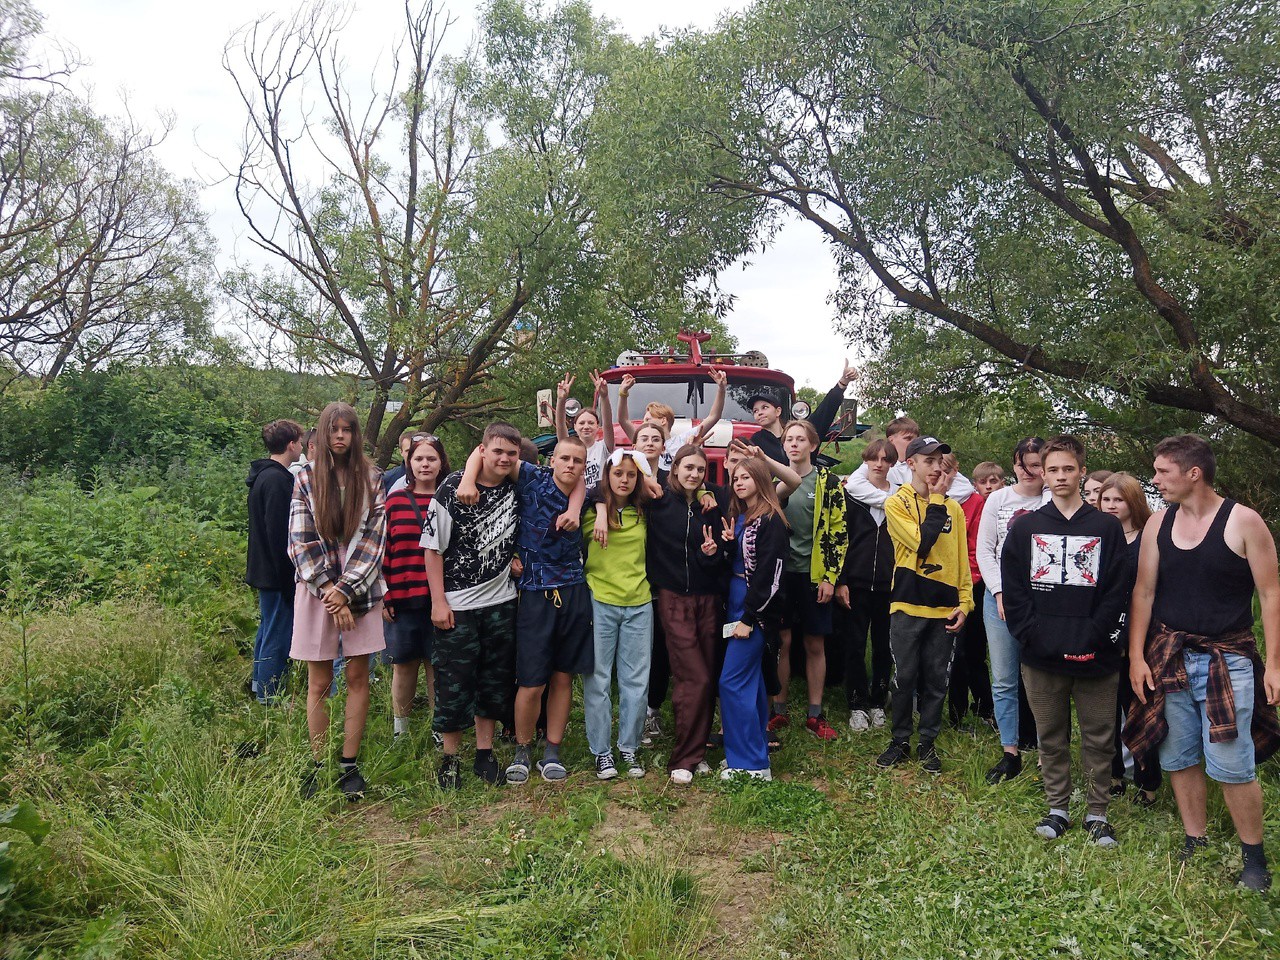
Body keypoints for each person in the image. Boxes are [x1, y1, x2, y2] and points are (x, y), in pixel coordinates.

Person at [1125, 435, 1280, 891]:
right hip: (1169, 657)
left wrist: (1274, 664)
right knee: (1178, 755)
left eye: (1162, 471)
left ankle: (1254, 858)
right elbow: (1143, 592)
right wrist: (1136, 656)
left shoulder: (1243, 522)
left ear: (1194, 473)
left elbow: (1270, 594)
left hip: (1227, 661)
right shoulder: (1158, 523)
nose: (1155, 480)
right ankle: (1196, 838)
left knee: (1233, 762)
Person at [1000, 435, 1130, 846]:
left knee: (1099, 737)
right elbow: (1014, 589)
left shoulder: (1106, 527)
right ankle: (1058, 808)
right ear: (1042, 473)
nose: (1060, 476)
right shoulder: (1026, 527)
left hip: (1096, 654)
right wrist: (1032, 635)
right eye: (1052, 469)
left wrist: (1095, 636)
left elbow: (1117, 589)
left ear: (1082, 472)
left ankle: (1097, 813)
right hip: (1042, 655)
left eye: (1068, 469)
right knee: (1050, 736)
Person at [471, 436, 591, 785]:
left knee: (563, 677)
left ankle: (552, 749)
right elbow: (482, 451)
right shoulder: (531, 477)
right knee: (531, 679)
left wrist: (575, 509)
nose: (570, 465)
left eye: (578, 461)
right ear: (552, 460)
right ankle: (522, 748)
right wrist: (466, 480)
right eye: (564, 458)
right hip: (534, 592)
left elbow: (585, 485)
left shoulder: (586, 492)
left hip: (572, 588)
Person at [288, 402, 387, 800]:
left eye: (347, 429)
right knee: (319, 681)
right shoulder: (306, 477)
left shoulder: (372, 478)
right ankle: (316, 763)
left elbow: (374, 541)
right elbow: (300, 539)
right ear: (323, 432)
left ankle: (349, 764)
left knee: (358, 677)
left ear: (355, 434)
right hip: (318, 590)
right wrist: (330, 591)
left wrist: (346, 590)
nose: (340, 436)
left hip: (360, 589)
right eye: (334, 429)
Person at [422, 422, 523, 790]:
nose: (504, 458)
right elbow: (432, 548)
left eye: (511, 453)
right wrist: (438, 602)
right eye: (497, 451)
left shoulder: (516, 487)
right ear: (482, 451)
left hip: (502, 602)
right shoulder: (451, 489)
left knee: (493, 681)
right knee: (454, 682)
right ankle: (450, 758)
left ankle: (484, 753)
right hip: (458, 605)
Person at [876, 436, 972, 773]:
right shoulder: (896, 503)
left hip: (944, 607)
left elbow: (961, 559)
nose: (935, 468)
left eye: (939, 462)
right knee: (904, 677)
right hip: (907, 603)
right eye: (928, 461)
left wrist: (966, 602)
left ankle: (927, 743)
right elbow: (920, 543)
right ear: (911, 463)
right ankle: (900, 740)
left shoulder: (954, 509)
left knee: (936, 680)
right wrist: (937, 501)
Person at [647, 445, 729, 783]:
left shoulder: (712, 505)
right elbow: (606, 487)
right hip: (673, 598)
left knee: (707, 675)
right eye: (688, 467)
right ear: (675, 467)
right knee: (693, 677)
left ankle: (699, 750)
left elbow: (718, 557)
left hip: (708, 598)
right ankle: (684, 758)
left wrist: (711, 553)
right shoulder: (658, 500)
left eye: (700, 470)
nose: (694, 474)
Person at [770, 419, 847, 741]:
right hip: (781, 574)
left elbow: (838, 531)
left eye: (801, 439)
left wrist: (831, 577)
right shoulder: (773, 481)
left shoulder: (828, 482)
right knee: (782, 641)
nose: (794, 444)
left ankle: (815, 714)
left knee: (814, 642)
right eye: (789, 439)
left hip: (814, 575)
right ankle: (779, 709)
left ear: (813, 445)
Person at [976, 436, 1047, 784]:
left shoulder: (1053, 500)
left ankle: (1048, 753)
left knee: (1045, 679)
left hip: (1045, 601)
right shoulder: (998, 499)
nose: (1029, 471)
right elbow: (985, 551)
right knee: (1004, 678)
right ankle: (1010, 751)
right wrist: (1000, 591)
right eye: (1022, 464)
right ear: (1014, 464)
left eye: (1036, 465)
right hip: (1001, 598)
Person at [584, 450, 655, 779]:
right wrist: (601, 508)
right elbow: (579, 490)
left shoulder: (645, 511)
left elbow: (680, 487)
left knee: (636, 681)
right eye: (618, 473)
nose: (624, 480)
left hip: (639, 602)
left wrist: (704, 493)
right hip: (601, 600)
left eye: (631, 474)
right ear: (607, 476)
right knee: (598, 679)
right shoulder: (589, 510)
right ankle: (601, 752)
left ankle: (629, 746)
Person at [721, 455, 790, 779]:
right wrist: (724, 548)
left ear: (760, 480)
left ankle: (750, 763)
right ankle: (751, 754)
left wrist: (749, 618)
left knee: (732, 681)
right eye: (736, 478)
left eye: (746, 477)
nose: (739, 482)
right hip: (735, 605)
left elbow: (771, 577)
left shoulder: (771, 520)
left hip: (755, 613)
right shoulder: (742, 516)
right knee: (752, 682)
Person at [382, 434, 450, 740]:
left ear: (441, 463)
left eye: (431, 459)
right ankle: (402, 731)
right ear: (409, 462)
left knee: (438, 666)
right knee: (404, 666)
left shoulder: (451, 500)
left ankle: (440, 728)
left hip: (442, 599)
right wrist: (384, 595)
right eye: (419, 458)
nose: (425, 464)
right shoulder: (394, 501)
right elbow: (383, 549)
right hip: (403, 596)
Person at [1098, 472, 1159, 806]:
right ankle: (1115, 775)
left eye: (1118, 499)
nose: (1111, 505)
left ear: (1133, 501)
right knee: (1106, 710)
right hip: (1104, 636)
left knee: (1139, 709)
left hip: (1141, 636)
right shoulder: (1097, 535)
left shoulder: (1149, 536)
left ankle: (1147, 784)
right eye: (1105, 499)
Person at [836, 439, 896, 732]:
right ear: (866, 461)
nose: (879, 464)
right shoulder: (852, 496)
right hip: (856, 583)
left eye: (885, 459)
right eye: (874, 458)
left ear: (892, 464)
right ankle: (857, 703)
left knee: (884, 646)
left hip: (889, 585)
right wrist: (841, 581)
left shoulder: (900, 497)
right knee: (855, 645)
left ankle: (878, 701)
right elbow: (841, 538)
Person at [246, 418, 303, 704]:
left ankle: (259, 686)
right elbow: (279, 535)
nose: (302, 447)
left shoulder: (263, 475)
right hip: (275, 573)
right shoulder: (278, 481)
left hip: (262, 569)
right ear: (291, 445)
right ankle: (270, 696)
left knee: (268, 628)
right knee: (278, 633)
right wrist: (288, 578)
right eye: (300, 442)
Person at [944, 451, 993, 728]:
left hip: (971, 585)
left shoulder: (975, 501)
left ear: (956, 470)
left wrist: (967, 581)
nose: (942, 474)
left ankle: (984, 708)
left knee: (972, 650)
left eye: (947, 468)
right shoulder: (926, 499)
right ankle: (956, 713)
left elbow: (977, 547)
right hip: (939, 585)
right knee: (952, 652)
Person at [617, 368, 728, 472]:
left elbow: (714, 416)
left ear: (663, 421)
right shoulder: (642, 440)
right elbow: (623, 420)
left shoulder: (683, 441)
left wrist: (721, 389)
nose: (643, 424)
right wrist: (623, 393)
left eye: (647, 419)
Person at [748, 360, 856, 465]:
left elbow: (824, 411)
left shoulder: (802, 430)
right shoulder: (756, 442)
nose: (759, 413)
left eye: (764, 407)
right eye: (755, 411)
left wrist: (843, 382)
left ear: (778, 411)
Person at [846, 417, 976, 504]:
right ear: (891, 440)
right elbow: (854, 485)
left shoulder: (927, 462)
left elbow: (965, 487)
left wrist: (930, 503)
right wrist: (899, 504)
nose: (914, 442)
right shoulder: (879, 463)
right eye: (908, 438)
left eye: (916, 439)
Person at [555, 370, 614, 488]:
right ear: (575, 427)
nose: (586, 426)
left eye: (591, 423)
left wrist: (604, 396)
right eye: (582, 423)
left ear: (597, 426)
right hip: (576, 495)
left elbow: (608, 423)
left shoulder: (603, 447)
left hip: (599, 496)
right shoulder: (570, 448)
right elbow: (560, 425)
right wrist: (561, 400)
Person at [381, 428, 419, 495]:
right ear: (401, 452)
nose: (412, 454)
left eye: (416, 450)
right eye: (408, 451)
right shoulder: (387, 479)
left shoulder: (435, 478)